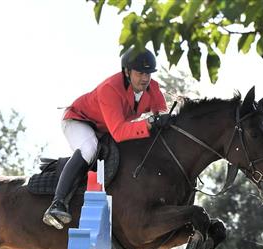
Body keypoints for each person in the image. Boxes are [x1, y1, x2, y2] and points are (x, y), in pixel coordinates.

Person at [42, 48, 172, 229]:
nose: (145, 78)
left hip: (106, 128)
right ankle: (57, 203)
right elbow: (119, 131)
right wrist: (149, 123)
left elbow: (162, 116)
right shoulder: (110, 89)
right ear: (127, 71)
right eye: (140, 73)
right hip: (80, 120)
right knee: (89, 148)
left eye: (149, 73)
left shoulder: (153, 88)